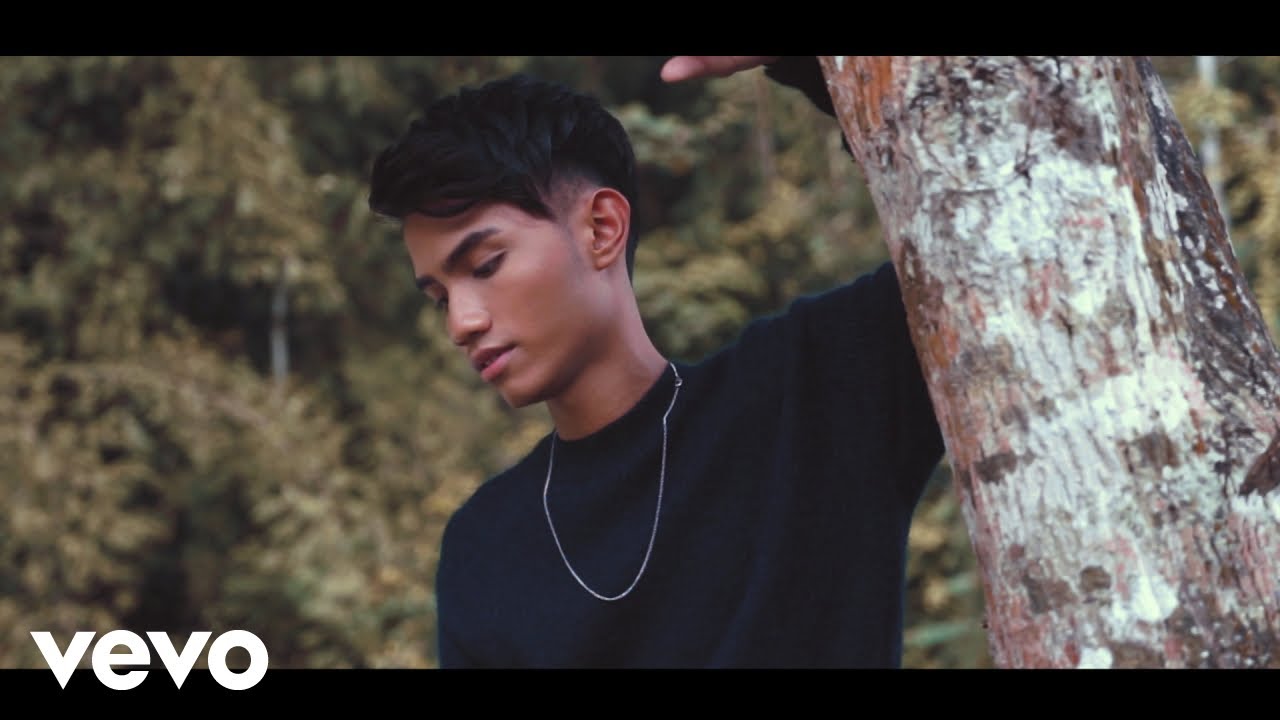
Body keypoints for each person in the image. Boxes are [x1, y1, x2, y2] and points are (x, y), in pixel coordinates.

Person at [367, 56, 945, 668]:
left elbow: (976, 217)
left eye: (485, 266)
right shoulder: (484, 548)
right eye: (440, 297)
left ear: (601, 228)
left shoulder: (815, 389)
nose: (462, 322)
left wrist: (801, 63)